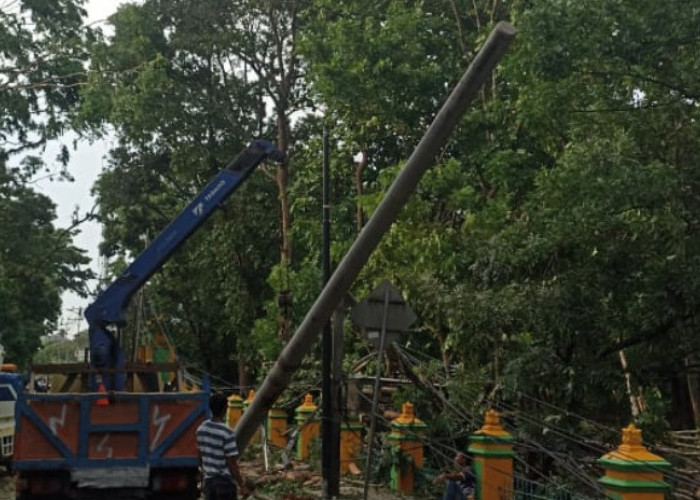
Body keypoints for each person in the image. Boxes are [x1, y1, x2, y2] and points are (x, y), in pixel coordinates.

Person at [197, 392, 250, 500]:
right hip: (225, 485)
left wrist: (201, 479)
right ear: (225, 409)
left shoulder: (201, 429)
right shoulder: (227, 433)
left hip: (209, 484)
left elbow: (200, 457)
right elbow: (231, 463)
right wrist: (242, 485)